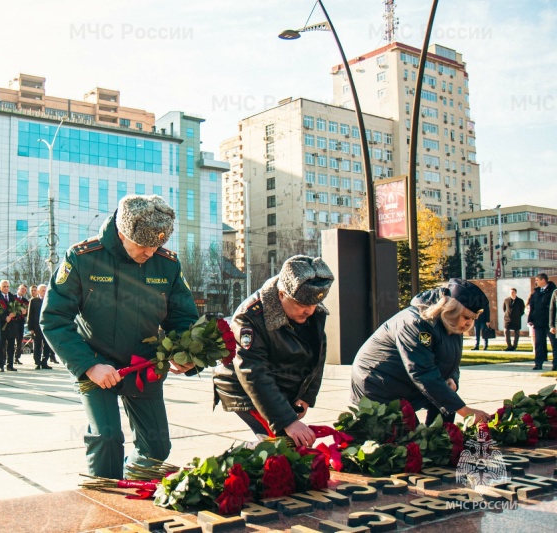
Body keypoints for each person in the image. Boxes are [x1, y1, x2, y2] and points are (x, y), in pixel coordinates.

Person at [41, 194, 199, 479]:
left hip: (144, 365)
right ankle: (106, 507)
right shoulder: (83, 258)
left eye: (157, 245)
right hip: (95, 364)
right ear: (123, 233)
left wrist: (182, 351)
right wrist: (89, 366)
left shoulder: (167, 264)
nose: (150, 253)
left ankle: (130, 483)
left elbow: (182, 317)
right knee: (107, 438)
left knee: (157, 447)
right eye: (143, 245)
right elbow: (53, 318)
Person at [213, 256, 333, 447]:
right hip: (244, 388)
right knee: (280, 445)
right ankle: (229, 469)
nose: (309, 311)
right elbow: (253, 372)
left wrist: (307, 396)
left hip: (280, 386)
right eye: (302, 305)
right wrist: (287, 420)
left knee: (286, 447)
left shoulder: (311, 308)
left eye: (313, 305)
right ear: (281, 294)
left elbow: (318, 354)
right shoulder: (250, 317)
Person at [351, 278, 491, 425]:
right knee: (404, 439)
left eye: (473, 318)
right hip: (378, 382)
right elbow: (422, 371)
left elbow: (452, 360)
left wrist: (452, 379)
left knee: (443, 429)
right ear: (451, 310)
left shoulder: (454, 324)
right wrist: (466, 412)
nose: (469, 323)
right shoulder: (417, 322)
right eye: (467, 317)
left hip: (407, 382)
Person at [528, 274, 557, 370]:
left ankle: (555, 364)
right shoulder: (536, 292)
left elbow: (553, 308)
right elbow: (532, 306)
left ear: (543, 280)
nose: (536, 282)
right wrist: (530, 319)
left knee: (554, 343)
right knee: (538, 344)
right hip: (538, 322)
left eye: (537, 280)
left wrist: (553, 324)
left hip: (550, 323)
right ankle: (538, 363)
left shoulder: (553, 291)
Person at [28, 285, 53, 369]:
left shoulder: (50, 299)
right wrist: (30, 328)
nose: (44, 292)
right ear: (38, 292)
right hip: (36, 327)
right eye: (42, 290)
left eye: (45, 290)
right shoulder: (34, 301)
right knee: (37, 345)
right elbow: (30, 315)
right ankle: (37, 362)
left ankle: (44, 361)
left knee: (47, 345)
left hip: (47, 327)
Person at [0, 280, 19, 372]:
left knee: (11, 346)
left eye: (7, 286)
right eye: (4, 286)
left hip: (11, 326)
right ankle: (0, 364)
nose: (6, 288)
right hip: (1, 326)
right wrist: (4, 317)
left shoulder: (12, 297)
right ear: (0, 287)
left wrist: (15, 313)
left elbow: (17, 309)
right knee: (1, 346)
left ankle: (10, 364)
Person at [14, 284, 29, 364]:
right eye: (22, 289)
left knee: (19, 340)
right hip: (12, 322)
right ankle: (7, 357)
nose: (23, 291)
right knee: (10, 340)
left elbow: (27, 314)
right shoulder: (12, 298)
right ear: (18, 289)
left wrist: (25, 312)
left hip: (20, 322)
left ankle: (17, 357)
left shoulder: (25, 301)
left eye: (25, 290)